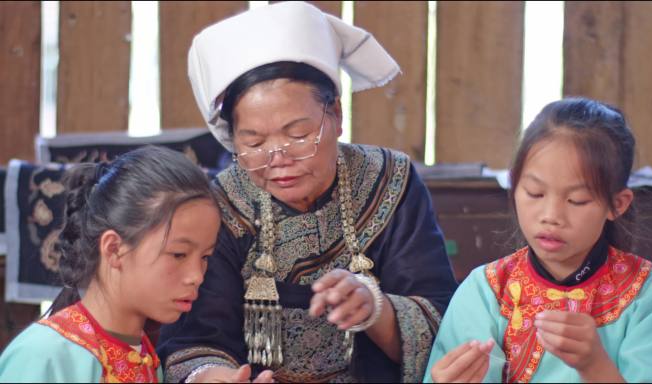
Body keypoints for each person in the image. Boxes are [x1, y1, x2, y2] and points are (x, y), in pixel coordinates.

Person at [156, 2, 457, 382]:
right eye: (253, 142)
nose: (277, 160)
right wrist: (216, 378)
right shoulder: (220, 207)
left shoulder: (389, 180)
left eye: (297, 135)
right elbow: (192, 341)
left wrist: (374, 310)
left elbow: (444, 324)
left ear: (336, 115)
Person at [424, 98, 652, 383]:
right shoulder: (487, 292)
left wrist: (595, 366)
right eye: (535, 193)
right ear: (513, 185)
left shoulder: (649, 296)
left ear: (617, 204)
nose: (551, 216)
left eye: (577, 200)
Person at [0, 146, 222, 383]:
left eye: (205, 257)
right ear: (114, 249)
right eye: (179, 254)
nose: (196, 276)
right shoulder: (43, 357)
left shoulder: (145, 358)